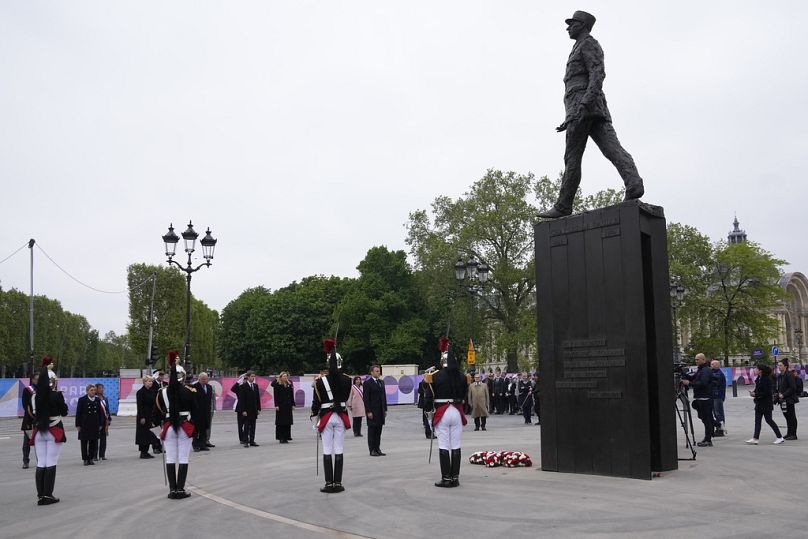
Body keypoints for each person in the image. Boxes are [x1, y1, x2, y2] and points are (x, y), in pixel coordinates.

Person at [538, 10, 644, 219]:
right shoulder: (579, 46)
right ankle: (634, 183)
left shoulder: (588, 44)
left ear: (583, 25)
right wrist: (570, 116)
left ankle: (563, 205)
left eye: (572, 23)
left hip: (584, 107)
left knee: (572, 157)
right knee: (611, 148)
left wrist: (584, 104)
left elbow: (597, 73)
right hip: (584, 108)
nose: (568, 27)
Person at [311, 339, 352, 493]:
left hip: (326, 416)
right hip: (341, 416)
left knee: (327, 449)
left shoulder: (320, 381)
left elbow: (317, 402)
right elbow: (346, 397)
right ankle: (338, 483)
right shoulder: (348, 379)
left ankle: (329, 483)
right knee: (339, 448)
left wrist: (314, 414)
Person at [155, 351, 197, 499]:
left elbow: (159, 411)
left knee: (170, 458)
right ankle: (180, 489)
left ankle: (172, 489)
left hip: (168, 426)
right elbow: (195, 410)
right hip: (185, 426)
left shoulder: (161, 392)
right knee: (184, 458)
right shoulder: (190, 391)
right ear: (183, 376)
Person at [430, 337, 469, 487]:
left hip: (443, 410)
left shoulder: (436, 376)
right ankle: (455, 478)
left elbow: (428, 395)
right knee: (456, 445)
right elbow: (465, 394)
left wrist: (429, 409)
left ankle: (446, 478)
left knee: (444, 445)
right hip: (456, 411)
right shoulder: (462, 376)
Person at [30, 358, 68, 505]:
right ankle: (48, 495)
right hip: (54, 430)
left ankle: (40, 495)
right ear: (53, 381)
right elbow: (64, 412)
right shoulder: (56, 395)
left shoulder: (35, 396)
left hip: (39, 431)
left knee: (41, 463)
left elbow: (34, 413)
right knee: (51, 462)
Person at [746, 364, 785, 445]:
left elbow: (766, 392)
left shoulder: (766, 379)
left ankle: (780, 437)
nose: (754, 370)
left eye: (756, 369)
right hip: (759, 403)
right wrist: (753, 392)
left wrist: (755, 395)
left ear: (760, 371)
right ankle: (755, 438)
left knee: (769, 420)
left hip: (766, 403)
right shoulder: (759, 378)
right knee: (757, 421)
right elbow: (758, 389)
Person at [681, 353, 714, 447]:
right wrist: (684, 374)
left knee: (706, 419)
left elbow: (703, 383)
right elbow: (693, 377)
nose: (696, 361)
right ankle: (708, 437)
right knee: (703, 418)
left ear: (703, 360)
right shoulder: (700, 370)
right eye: (695, 359)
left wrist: (689, 383)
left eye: (697, 359)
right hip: (700, 397)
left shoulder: (706, 370)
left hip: (705, 398)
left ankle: (708, 439)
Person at [75, 383, 104, 465]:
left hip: (94, 423)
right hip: (84, 424)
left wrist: (100, 424)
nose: (93, 392)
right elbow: (78, 413)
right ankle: (85, 459)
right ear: (87, 391)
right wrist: (78, 425)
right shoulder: (82, 399)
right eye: (91, 390)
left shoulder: (97, 400)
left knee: (93, 442)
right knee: (84, 442)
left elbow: (100, 413)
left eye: (94, 390)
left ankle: (91, 458)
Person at [363, 364, 388, 456]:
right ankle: (372, 449)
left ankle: (377, 448)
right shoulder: (367, 383)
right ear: (372, 372)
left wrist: (385, 409)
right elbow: (366, 398)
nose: (378, 372)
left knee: (378, 431)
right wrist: (368, 411)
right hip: (372, 411)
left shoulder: (381, 382)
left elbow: (383, 397)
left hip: (380, 410)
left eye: (379, 371)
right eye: (377, 371)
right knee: (372, 431)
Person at [135, 376, 161, 458]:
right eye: (149, 381)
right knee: (143, 434)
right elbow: (140, 406)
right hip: (144, 415)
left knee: (150, 434)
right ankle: (143, 452)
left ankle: (147, 451)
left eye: (151, 381)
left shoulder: (153, 391)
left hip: (151, 415)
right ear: (144, 382)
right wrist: (142, 417)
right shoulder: (140, 392)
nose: (151, 383)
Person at [237, 371, 261, 447]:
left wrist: (258, 408)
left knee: (253, 426)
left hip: (254, 409)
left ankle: (252, 441)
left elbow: (257, 398)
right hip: (246, 410)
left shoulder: (255, 386)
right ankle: (245, 441)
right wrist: (243, 410)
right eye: (252, 376)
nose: (253, 378)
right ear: (248, 377)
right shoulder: (242, 386)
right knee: (246, 426)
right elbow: (242, 400)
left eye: (254, 376)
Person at [776, 359, 798, 440]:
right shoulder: (780, 376)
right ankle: (789, 433)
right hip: (783, 400)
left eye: (780, 365)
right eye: (778, 365)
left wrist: (784, 394)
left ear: (785, 366)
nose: (779, 367)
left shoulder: (789, 375)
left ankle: (793, 434)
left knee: (791, 417)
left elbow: (793, 388)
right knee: (787, 417)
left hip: (789, 399)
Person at [20, 372, 38, 469]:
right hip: (29, 419)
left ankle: (40, 460)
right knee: (26, 442)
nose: (38, 381)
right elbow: (25, 405)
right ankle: (25, 461)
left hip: (40, 419)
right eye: (36, 379)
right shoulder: (27, 390)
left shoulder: (42, 390)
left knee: (40, 442)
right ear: (32, 380)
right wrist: (32, 415)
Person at [271, 372, 295, 443]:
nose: (285, 377)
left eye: (286, 376)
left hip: (288, 405)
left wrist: (292, 404)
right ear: (280, 377)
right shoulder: (277, 384)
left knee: (288, 421)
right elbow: (275, 395)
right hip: (281, 405)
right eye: (284, 376)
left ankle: (287, 436)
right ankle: (281, 437)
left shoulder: (289, 383)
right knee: (281, 422)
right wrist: (276, 405)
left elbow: (291, 395)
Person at [192, 372, 214, 451]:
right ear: (199, 379)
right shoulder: (194, 387)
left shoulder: (209, 387)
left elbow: (210, 400)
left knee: (204, 429)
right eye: (203, 379)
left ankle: (203, 444)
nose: (204, 380)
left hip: (206, 412)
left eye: (206, 379)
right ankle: (196, 445)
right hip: (197, 412)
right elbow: (193, 400)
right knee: (196, 429)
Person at [710, 360, 727, 437]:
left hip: (718, 396)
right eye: (711, 364)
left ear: (718, 365)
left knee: (718, 412)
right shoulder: (714, 373)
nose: (711, 365)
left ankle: (720, 429)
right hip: (714, 396)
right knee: (716, 412)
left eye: (713, 364)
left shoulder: (719, 374)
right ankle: (719, 428)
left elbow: (714, 380)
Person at [95, 383, 111, 461]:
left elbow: (107, 410)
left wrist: (109, 419)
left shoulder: (105, 398)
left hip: (105, 421)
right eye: (100, 388)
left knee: (103, 439)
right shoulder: (94, 398)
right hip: (97, 422)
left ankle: (102, 455)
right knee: (95, 439)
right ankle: (94, 455)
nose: (102, 389)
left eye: (102, 388)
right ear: (96, 389)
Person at [416, 372, 433, 439]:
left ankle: (426, 424)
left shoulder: (424, 383)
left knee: (425, 413)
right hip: (425, 400)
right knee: (426, 414)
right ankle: (427, 428)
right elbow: (420, 391)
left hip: (424, 400)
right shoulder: (424, 383)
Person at [230, 374, 246, 444]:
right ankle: (242, 439)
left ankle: (246, 437)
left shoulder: (251, 386)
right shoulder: (239, 387)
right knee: (240, 425)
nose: (245, 380)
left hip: (248, 407)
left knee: (248, 424)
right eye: (244, 379)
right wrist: (238, 382)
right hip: (240, 408)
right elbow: (232, 389)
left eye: (246, 379)